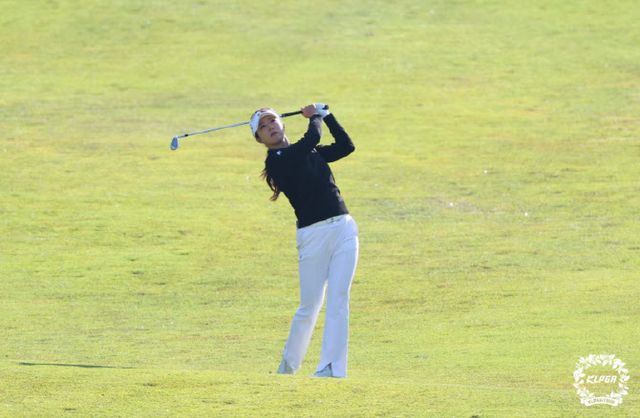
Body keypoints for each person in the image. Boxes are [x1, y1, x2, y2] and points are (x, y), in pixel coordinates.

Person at [250, 103, 359, 378]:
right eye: (262, 127)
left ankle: (331, 368)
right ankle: (288, 367)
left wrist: (328, 115)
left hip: (344, 228)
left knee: (338, 299)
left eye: (272, 121)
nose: (270, 127)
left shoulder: (310, 152)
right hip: (313, 236)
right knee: (309, 306)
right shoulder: (276, 160)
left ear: (282, 123)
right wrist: (314, 117)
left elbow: (346, 146)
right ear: (259, 139)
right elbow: (312, 138)